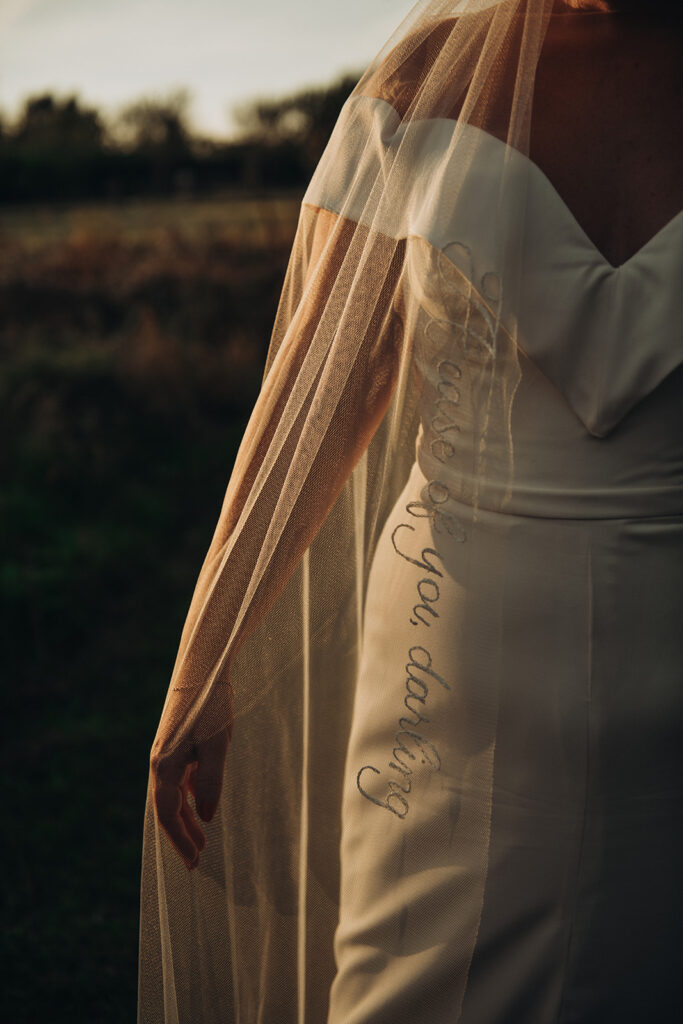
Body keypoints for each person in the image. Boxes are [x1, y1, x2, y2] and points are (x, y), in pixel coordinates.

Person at [138, 1, 683, 1020]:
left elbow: (328, 387)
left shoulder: (439, 66)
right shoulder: (437, 70)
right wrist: (205, 660)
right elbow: (323, 384)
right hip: (459, 672)